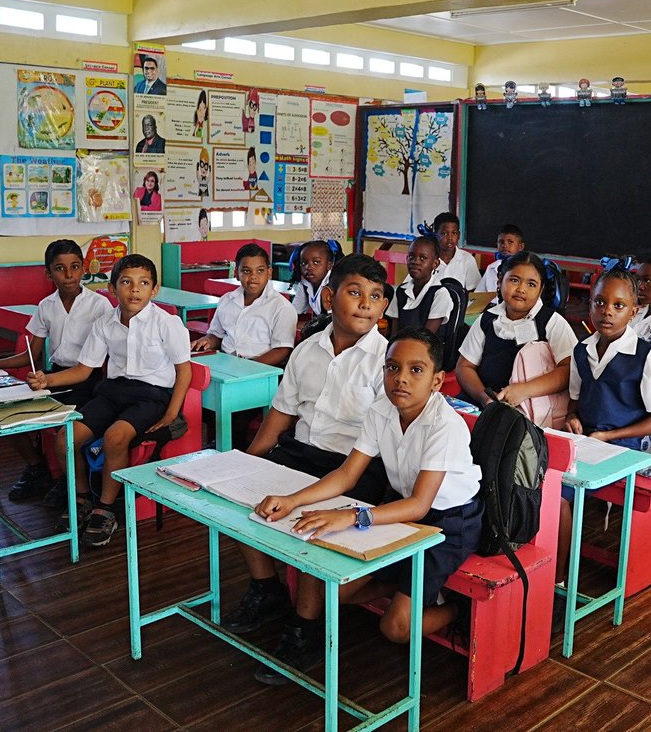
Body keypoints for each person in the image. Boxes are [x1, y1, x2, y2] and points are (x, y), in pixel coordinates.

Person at [253, 328, 482, 682]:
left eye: (416, 370)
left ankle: (457, 611)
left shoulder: (445, 426)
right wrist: (292, 500)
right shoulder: (381, 410)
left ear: (438, 380)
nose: (401, 378)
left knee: (396, 628)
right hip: (399, 511)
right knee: (336, 596)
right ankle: (402, 582)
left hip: (448, 524)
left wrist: (352, 516)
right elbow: (347, 474)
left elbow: (421, 506)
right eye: (392, 367)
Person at [221, 254, 390, 643]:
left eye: (376, 295)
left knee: (314, 526)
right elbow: (280, 416)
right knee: (239, 499)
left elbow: (378, 446)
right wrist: (242, 465)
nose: (366, 303)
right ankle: (267, 589)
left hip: (355, 467)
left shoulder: (387, 362)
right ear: (329, 298)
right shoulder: (306, 349)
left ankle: (307, 627)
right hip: (301, 452)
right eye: (354, 292)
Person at [27, 254, 192, 547]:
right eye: (126, 283)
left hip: (152, 396)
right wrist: (47, 379)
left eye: (143, 283)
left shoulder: (168, 323)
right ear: (112, 289)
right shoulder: (105, 323)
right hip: (113, 391)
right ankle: (80, 498)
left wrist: (171, 414)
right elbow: (84, 369)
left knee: (116, 436)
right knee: (66, 438)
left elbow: (184, 371)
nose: (134, 290)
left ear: (154, 290)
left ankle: (106, 506)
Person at [0, 240, 111, 503]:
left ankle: (68, 483)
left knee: (64, 432)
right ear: (48, 273)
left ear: (84, 270)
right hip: (54, 376)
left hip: (87, 381)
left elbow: (93, 365)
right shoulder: (46, 306)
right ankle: (37, 468)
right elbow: (31, 354)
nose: (68, 275)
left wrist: (47, 379)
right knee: (4, 413)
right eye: (60, 268)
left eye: (74, 267)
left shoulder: (99, 305)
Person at [559, 269, 651, 580]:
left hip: (623, 449)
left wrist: (611, 435)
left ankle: (558, 576)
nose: (607, 311)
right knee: (544, 483)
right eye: (599, 302)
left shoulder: (647, 358)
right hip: (589, 442)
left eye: (619, 306)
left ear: (634, 312)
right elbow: (575, 399)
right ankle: (550, 569)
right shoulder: (581, 350)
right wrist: (572, 418)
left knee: (559, 495)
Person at [190, 243, 295, 448]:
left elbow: (283, 349)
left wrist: (250, 367)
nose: (253, 277)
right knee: (199, 403)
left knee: (235, 412)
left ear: (269, 273)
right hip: (227, 369)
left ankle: (232, 452)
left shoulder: (281, 307)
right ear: (237, 273)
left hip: (261, 374)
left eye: (260, 271)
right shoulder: (227, 300)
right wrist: (206, 341)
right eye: (246, 271)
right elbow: (217, 335)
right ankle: (215, 446)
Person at [456, 250, 576, 413]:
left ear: (541, 290)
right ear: (499, 281)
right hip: (484, 404)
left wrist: (524, 390)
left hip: (531, 412)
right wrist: (485, 398)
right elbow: (464, 366)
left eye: (531, 284)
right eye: (514, 280)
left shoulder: (552, 322)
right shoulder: (488, 319)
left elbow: (568, 370)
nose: (521, 289)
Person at [386, 235, 453, 336]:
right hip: (400, 348)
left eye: (423, 258)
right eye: (411, 257)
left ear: (435, 264)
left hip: (425, 350)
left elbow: (426, 338)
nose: (415, 262)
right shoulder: (401, 291)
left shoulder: (440, 294)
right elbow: (394, 334)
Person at [433, 211, 481, 289]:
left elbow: (474, 291)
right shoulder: (428, 258)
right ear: (436, 235)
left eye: (454, 233)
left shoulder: (467, 260)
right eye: (444, 233)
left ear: (459, 235)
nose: (450, 238)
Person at [476, 224, 525, 296]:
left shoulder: (526, 269)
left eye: (510, 242)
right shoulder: (491, 268)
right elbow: (478, 295)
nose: (505, 245)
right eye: (501, 242)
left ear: (521, 247)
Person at [291, 240, 336, 317]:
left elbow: (333, 320)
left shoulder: (334, 285)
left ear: (329, 265)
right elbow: (294, 311)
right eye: (303, 263)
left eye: (316, 262)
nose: (308, 267)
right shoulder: (305, 284)